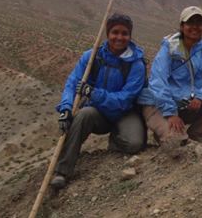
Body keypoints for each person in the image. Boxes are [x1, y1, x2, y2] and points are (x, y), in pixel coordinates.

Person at [50, 13, 146, 189]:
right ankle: (62, 170)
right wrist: (65, 108)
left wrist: (95, 93)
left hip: (124, 112)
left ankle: (116, 140)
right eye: (115, 32)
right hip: (98, 112)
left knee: (134, 143)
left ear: (130, 36)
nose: (119, 37)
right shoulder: (92, 57)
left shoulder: (136, 65)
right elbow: (73, 83)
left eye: (124, 33)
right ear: (107, 34)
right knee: (84, 114)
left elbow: (125, 99)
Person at [137, 6, 202, 145]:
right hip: (159, 106)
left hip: (186, 106)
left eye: (199, 23)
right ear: (182, 26)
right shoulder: (168, 50)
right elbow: (158, 82)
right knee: (177, 142)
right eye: (190, 23)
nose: (195, 27)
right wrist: (170, 113)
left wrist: (201, 96)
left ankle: (197, 133)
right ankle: (167, 133)